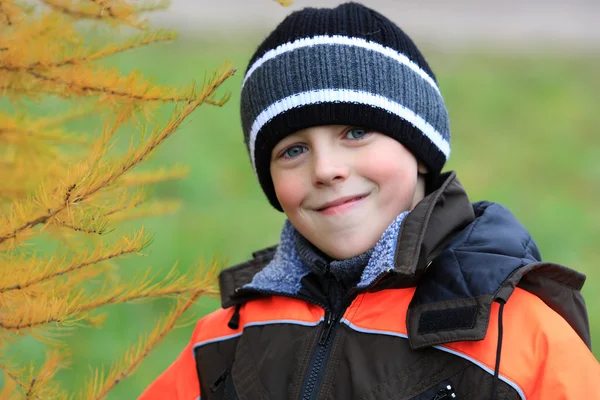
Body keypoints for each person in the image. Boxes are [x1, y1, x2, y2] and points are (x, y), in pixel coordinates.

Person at [140, 2, 600, 399]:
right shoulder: (228, 339)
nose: (325, 169)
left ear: (419, 151)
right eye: (293, 150)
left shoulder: (515, 335)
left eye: (356, 133)